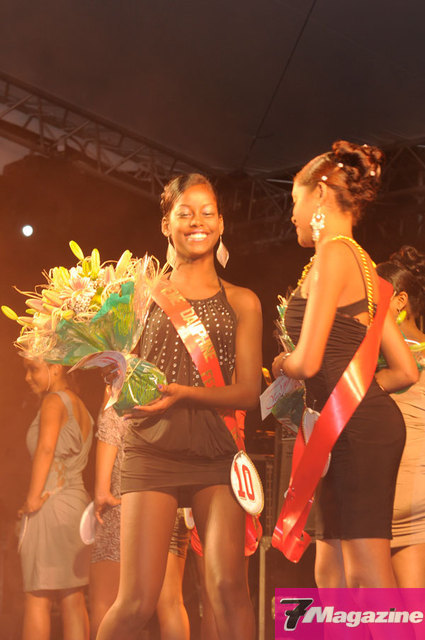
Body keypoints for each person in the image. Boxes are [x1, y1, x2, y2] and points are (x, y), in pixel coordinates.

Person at [96, 173, 262, 640]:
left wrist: (186, 394)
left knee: (228, 589)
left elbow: (249, 392)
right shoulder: (139, 295)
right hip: (151, 451)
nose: (197, 222)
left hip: (217, 452)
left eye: (208, 213)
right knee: (136, 602)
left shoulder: (243, 301)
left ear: (221, 223)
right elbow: (120, 374)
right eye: (185, 213)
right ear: (166, 224)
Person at [271, 141, 418, 588]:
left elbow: (307, 361)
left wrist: (281, 363)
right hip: (350, 423)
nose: (292, 215)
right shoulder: (365, 263)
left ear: (318, 194)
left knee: (365, 573)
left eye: (294, 201)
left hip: (355, 430)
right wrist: (357, 389)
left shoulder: (334, 254)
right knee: (330, 571)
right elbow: (406, 370)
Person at [89, 407, 191, 640]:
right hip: (173, 505)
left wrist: (101, 496)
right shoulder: (171, 404)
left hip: (125, 506)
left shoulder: (121, 404)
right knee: (172, 604)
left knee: (105, 602)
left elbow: (103, 491)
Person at [19, 359, 93, 640]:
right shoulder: (79, 405)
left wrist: (32, 499)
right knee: (73, 598)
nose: (28, 377)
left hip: (50, 503)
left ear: (56, 368)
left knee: (37, 597)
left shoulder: (53, 401)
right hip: (77, 507)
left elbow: (46, 449)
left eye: (33, 369)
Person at [376, 246, 425, 587]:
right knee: (412, 604)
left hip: (386, 488)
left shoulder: (375, 358)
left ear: (400, 300)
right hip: (413, 490)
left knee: (365, 602)